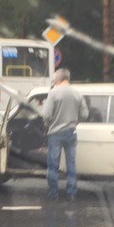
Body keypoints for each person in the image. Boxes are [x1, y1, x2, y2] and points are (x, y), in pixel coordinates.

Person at [40, 67, 89, 201]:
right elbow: (85, 114)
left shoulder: (53, 93)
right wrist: (75, 122)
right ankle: (71, 193)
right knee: (71, 163)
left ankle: (53, 193)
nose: (54, 80)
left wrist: (48, 124)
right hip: (71, 133)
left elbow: (45, 114)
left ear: (60, 78)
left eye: (55, 78)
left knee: (53, 165)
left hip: (55, 133)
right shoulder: (77, 93)